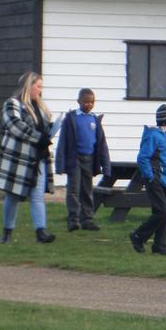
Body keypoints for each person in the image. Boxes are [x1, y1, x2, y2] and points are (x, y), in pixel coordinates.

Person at [0, 71, 62, 244]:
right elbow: (15, 125)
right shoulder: (12, 104)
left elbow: (43, 129)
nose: (40, 90)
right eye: (38, 86)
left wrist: (54, 127)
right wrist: (39, 138)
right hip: (18, 160)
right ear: (28, 86)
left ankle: (41, 232)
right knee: (13, 196)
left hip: (38, 158)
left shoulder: (39, 106)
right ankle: (7, 233)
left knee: (37, 196)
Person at [56, 88, 111, 232]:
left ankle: (87, 219)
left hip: (89, 160)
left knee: (87, 190)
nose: (89, 105)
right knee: (73, 190)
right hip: (74, 159)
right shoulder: (71, 118)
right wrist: (60, 164)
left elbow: (102, 144)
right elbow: (62, 142)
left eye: (92, 102)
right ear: (79, 101)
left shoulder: (95, 120)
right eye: (86, 102)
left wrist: (106, 166)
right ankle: (73, 220)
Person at [129, 104, 166, 256]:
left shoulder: (162, 136)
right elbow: (143, 158)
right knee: (162, 212)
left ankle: (159, 246)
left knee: (165, 213)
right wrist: (150, 177)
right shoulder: (153, 136)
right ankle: (138, 236)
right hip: (155, 179)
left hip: (164, 179)